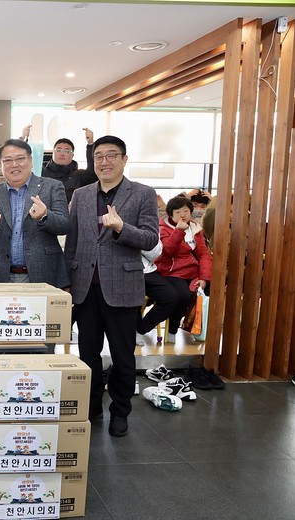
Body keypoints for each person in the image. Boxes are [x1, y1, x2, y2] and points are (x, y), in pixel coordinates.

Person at [65, 135, 159, 437]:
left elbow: (150, 239)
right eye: (99, 157)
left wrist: (121, 227)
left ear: (124, 159)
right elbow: (73, 240)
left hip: (123, 287)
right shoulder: (81, 194)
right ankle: (92, 406)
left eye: (111, 155)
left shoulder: (143, 193)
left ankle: (120, 411)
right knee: (88, 355)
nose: (104, 162)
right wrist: (67, 282)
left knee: (122, 356)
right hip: (85, 288)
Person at [0, 138, 70, 286]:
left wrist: (44, 216)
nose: (14, 164)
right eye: (7, 160)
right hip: (3, 275)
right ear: (0, 165)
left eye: (20, 158)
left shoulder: (52, 187)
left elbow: (64, 225)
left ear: (31, 161)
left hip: (44, 273)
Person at [154, 195, 212, 343]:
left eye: (186, 211)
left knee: (209, 290)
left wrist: (204, 278)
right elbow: (168, 251)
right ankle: (172, 329)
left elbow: (204, 254)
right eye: (178, 212)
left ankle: (196, 327)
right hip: (171, 271)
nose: (183, 215)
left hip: (193, 271)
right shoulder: (163, 228)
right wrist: (178, 231)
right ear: (170, 214)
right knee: (182, 296)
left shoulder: (195, 228)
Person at [136, 240, 180, 345]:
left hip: (149, 271)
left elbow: (156, 253)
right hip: (124, 271)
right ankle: (131, 329)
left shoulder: (151, 228)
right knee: (133, 299)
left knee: (171, 297)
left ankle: (141, 329)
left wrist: (137, 241)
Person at [42, 128, 97, 203]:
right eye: (58, 150)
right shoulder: (41, 171)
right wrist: (25, 139)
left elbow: (93, 174)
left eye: (67, 151)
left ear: (72, 155)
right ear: (53, 153)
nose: (62, 154)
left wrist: (90, 144)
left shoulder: (79, 175)